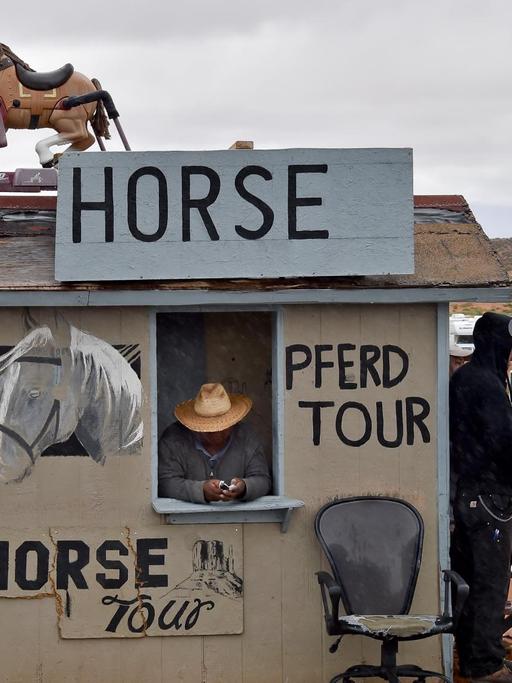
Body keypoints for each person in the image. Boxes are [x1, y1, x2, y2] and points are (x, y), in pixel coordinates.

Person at [450, 312, 512, 683]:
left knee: (472, 580)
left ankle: (472, 656)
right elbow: (504, 442)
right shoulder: (484, 384)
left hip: (471, 496)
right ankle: (484, 664)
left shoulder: (470, 378)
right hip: (488, 499)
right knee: (489, 582)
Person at [158, 382, 272, 503]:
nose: (217, 433)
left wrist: (244, 487)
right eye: (209, 430)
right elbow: (164, 483)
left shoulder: (247, 436)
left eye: (223, 427)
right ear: (194, 425)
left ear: (233, 423)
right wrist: (200, 490)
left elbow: (263, 480)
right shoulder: (174, 439)